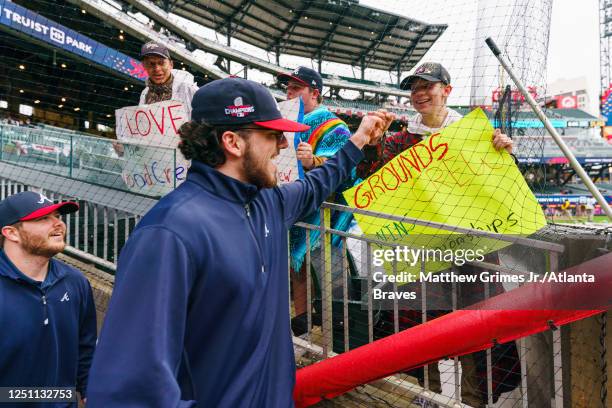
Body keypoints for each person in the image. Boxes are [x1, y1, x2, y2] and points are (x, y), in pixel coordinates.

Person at [86, 77, 394, 407]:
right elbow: (126, 389)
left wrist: (360, 138)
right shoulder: (168, 233)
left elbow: (319, 182)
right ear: (233, 142)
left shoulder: (267, 203)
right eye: (272, 135)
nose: (283, 145)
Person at [357, 62, 518, 408]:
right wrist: (370, 146)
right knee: (420, 326)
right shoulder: (399, 139)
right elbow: (369, 178)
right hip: (422, 252)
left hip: (472, 248)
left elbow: (502, 184)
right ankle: (427, 397)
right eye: (413, 88)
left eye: (427, 86)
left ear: (447, 90)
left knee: (477, 325)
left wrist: (506, 153)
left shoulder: (475, 134)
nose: (419, 93)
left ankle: (473, 402)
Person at [277, 66, 355, 334]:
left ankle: (330, 326)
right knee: (296, 266)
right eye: (287, 88)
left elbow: (342, 166)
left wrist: (314, 161)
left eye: (296, 88)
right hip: (294, 204)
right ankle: (302, 319)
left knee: (322, 270)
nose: (289, 93)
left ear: (315, 93)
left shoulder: (334, 125)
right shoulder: (284, 121)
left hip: (322, 212)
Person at [0, 191, 97, 407]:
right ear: (11, 233)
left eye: (58, 217)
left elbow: (86, 349)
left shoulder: (76, 282)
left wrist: (91, 392)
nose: (58, 224)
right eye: (43, 218)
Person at [113, 41, 199, 155]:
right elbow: (143, 133)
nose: (157, 68)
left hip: (187, 157)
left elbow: (205, 122)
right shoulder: (145, 94)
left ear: (171, 64)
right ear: (144, 66)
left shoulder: (188, 89)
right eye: (151, 64)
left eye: (161, 63)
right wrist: (126, 148)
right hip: (157, 161)